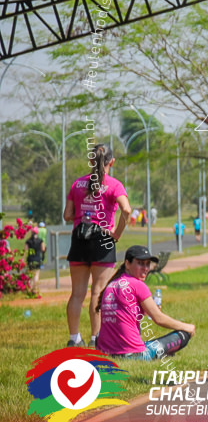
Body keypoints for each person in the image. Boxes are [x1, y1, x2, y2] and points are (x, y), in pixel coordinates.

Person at [64, 144, 131, 347]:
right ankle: (96, 338)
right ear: (112, 161)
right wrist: (117, 233)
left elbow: (67, 215)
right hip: (102, 239)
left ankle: (74, 338)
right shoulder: (114, 185)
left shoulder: (77, 184)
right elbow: (126, 210)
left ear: (92, 161)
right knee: (98, 292)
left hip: (79, 239)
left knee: (77, 294)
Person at [96, 245, 195, 359]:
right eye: (140, 263)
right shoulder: (137, 284)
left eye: (147, 264)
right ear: (127, 264)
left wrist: (147, 310)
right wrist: (186, 327)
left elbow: (124, 314)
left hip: (106, 353)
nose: (146, 268)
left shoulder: (111, 285)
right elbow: (159, 319)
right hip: (132, 355)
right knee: (183, 335)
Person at [26, 223, 47, 294]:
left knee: (30, 274)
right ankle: (35, 289)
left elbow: (25, 250)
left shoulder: (28, 241)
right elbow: (43, 249)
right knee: (36, 274)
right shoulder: (40, 241)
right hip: (37, 258)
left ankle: (29, 288)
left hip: (30, 259)